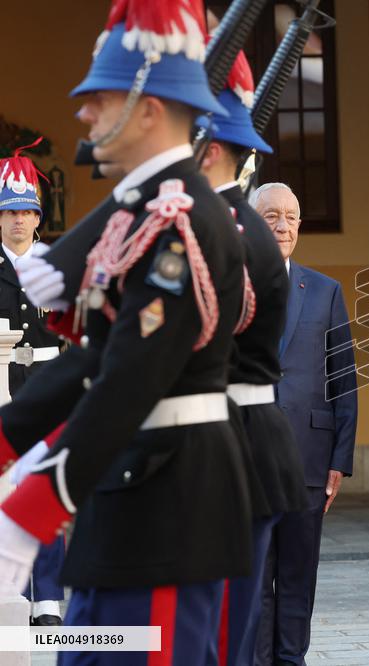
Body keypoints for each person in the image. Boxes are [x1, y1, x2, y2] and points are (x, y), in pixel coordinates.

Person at [0, 1, 255, 662]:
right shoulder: (143, 212)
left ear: (146, 110)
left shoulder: (178, 219)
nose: (83, 114)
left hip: (167, 505)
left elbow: (131, 375)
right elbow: (96, 356)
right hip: (127, 496)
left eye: (100, 98)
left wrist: (31, 507)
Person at [197, 53, 311, 665]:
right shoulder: (210, 221)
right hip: (219, 453)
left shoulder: (225, 231)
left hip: (224, 452)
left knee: (216, 640)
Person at [251, 181, 357, 666]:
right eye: (271, 215)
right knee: (254, 574)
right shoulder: (228, 286)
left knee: (298, 574)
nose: (282, 225)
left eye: (291, 216)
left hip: (308, 457)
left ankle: (291, 659)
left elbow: (343, 380)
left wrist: (340, 459)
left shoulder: (324, 290)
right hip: (244, 456)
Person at [0, 143, 66, 626]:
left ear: (38, 216)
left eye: (26, 210)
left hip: (47, 383)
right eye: (9, 212)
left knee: (43, 488)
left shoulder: (57, 263)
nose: (18, 220)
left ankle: (47, 601)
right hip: (0, 382)